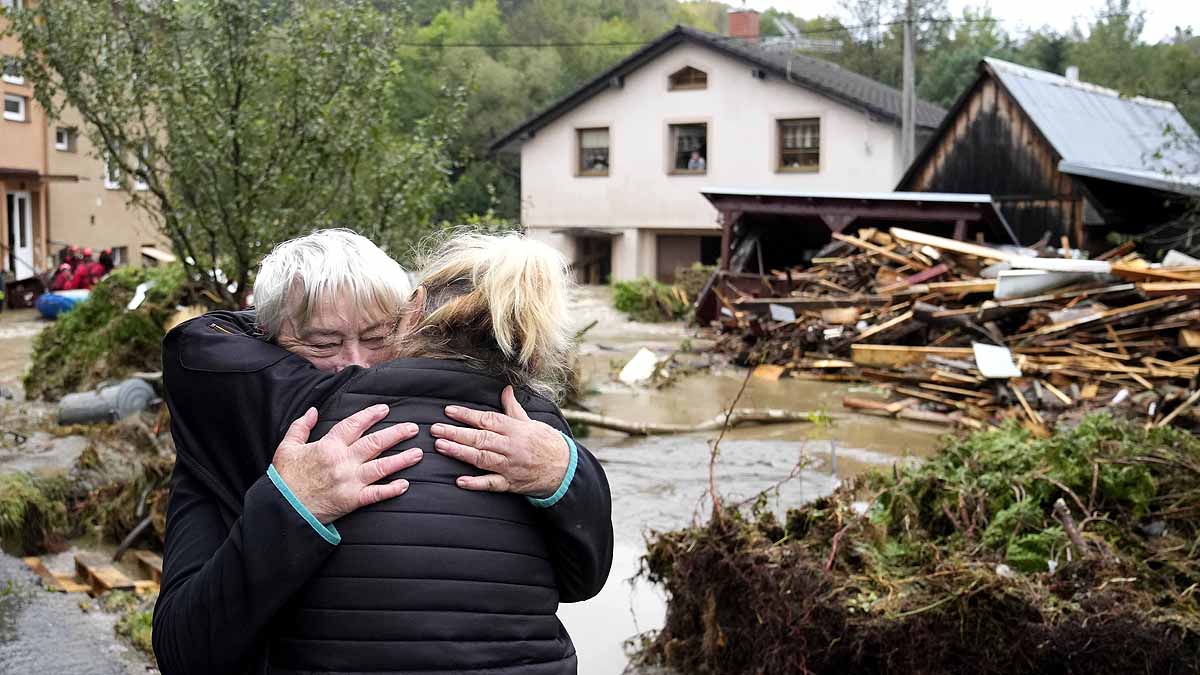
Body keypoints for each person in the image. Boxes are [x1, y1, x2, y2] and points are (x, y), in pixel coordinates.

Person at [154, 230, 612, 675]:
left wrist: (564, 472)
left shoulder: (523, 435)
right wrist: (292, 507)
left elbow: (579, 579)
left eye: (377, 338)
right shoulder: (231, 430)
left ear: (412, 319)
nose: (354, 363)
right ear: (264, 342)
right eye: (321, 343)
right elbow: (184, 651)